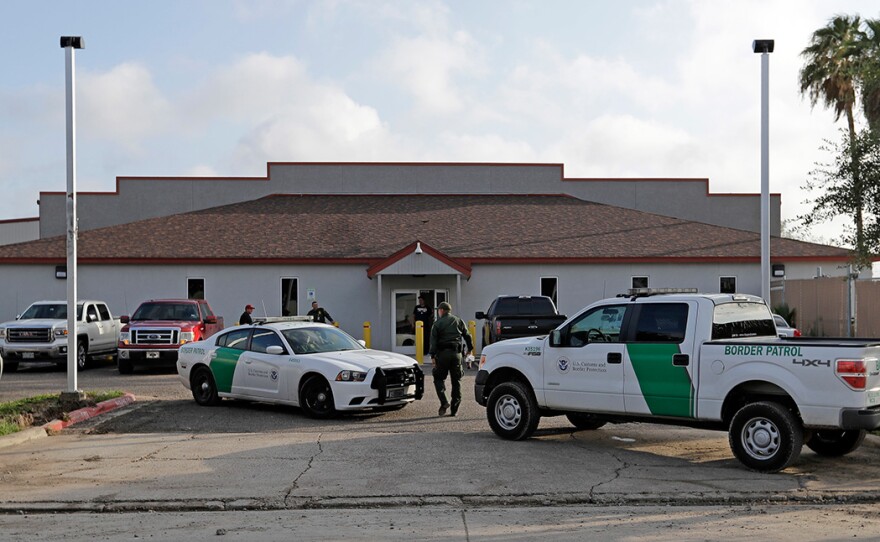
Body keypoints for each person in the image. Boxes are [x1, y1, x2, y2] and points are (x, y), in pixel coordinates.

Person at [429, 301, 473, 417]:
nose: (438, 312)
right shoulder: (458, 321)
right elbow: (468, 335)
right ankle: (454, 410)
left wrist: (432, 356)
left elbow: (433, 342)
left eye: (438, 310)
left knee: (438, 378)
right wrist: (470, 349)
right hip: (456, 355)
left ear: (442, 310)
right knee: (456, 381)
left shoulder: (437, 324)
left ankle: (444, 402)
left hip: (442, 355)